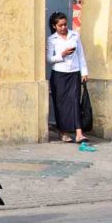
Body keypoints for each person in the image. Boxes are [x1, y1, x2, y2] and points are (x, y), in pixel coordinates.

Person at [47, 12, 89, 144]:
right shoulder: (51, 39)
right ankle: (63, 132)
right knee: (60, 104)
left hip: (74, 73)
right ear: (54, 26)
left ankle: (79, 133)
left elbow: (80, 55)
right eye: (60, 25)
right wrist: (62, 55)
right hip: (59, 75)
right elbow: (49, 59)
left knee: (75, 101)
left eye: (65, 24)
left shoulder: (75, 35)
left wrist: (84, 72)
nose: (63, 27)